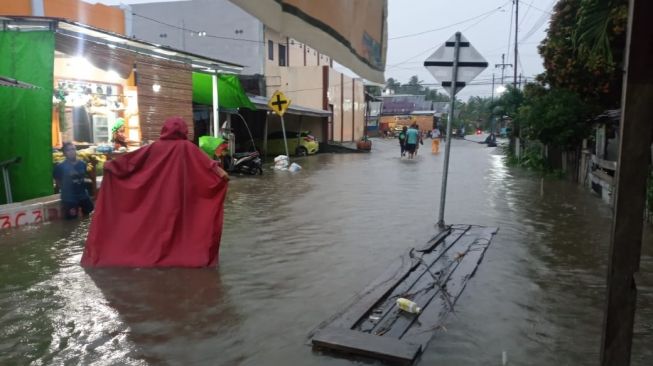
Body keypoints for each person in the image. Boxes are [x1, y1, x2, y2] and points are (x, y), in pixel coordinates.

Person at [81, 117, 229, 267]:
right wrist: (222, 177)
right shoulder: (188, 147)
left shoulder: (155, 147)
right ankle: (178, 254)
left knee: (157, 228)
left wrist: (110, 166)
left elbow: (131, 162)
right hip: (178, 199)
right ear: (184, 130)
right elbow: (211, 168)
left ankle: (156, 255)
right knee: (177, 228)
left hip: (157, 200)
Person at [53, 142, 94, 219]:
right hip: (69, 197)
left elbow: (85, 176)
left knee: (90, 214)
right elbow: (57, 180)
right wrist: (64, 190)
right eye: (68, 150)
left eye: (73, 149)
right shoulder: (60, 167)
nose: (71, 152)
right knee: (71, 220)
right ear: (64, 153)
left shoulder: (83, 164)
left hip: (83, 195)